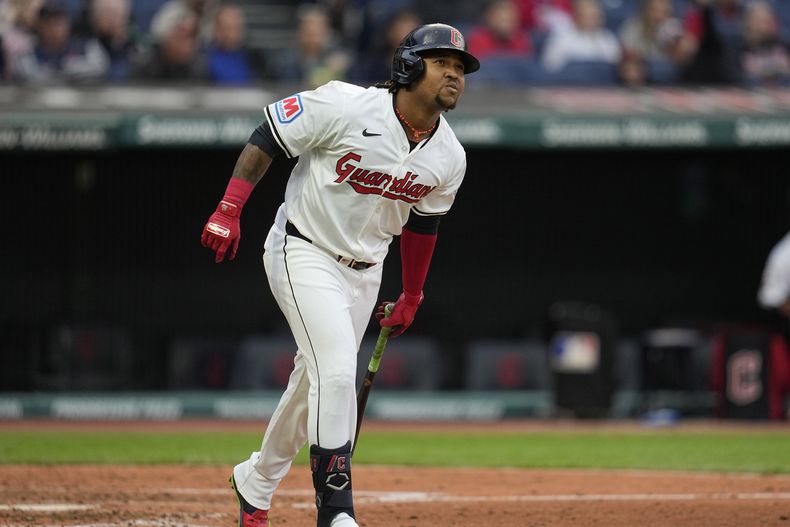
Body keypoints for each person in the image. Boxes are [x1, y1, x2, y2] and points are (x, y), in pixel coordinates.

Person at [200, 22, 479, 527]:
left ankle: (256, 479)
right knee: (334, 372)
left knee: (312, 384)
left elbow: (424, 224)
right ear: (410, 66)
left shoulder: (449, 156)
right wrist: (228, 207)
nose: (454, 74)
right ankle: (336, 510)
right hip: (303, 249)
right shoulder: (347, 105)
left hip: (366, 271)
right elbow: (269, 134)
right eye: (442, 63)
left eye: (460, 68)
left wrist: (412, 292)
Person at [14, 0, 109, 84]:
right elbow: (27, 73)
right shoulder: (28, 55)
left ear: (68, 24)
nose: (55, 30)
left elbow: (99, 67)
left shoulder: (87, 47)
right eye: (49, 24)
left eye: (59, 23)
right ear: (40, 27)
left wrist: (67, 71)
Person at [266, 3, 351, 88]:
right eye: (309, 33)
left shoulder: (337, 58)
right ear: (300, 32)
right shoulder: (284, 60)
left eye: (318, 34)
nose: (313, 39)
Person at [540, 0, 621, 74]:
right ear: (576, 16)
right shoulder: (561, 39)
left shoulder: (608, 39)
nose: (590, 21)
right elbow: (549, 69)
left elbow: (615, 68)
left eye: (594, 16)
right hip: (568, 86)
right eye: (585, 16)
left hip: (603, 87)